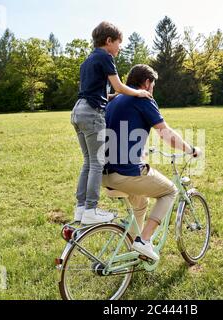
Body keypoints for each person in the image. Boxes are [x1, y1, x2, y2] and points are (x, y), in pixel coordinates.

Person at [102, 64, 201, 261]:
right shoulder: (143, 98)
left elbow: (122, 129)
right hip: (126, 173)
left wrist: (139, 149)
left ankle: (132, 251)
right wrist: (191, 149)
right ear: (147, 83)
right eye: (153, 85)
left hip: (104, 174)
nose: (152, 89)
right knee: (170, 191)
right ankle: (144, 241)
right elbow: (166, 134)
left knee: (141, 204)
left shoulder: (114, 100)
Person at [71, 22, 153, 225]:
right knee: (97, 162)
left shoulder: (87, 60)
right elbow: (118, 84)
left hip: (78, 111)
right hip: (92, 114)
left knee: (88, 162)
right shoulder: (105, 57)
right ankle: (91, 209)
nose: (119, 47)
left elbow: (95, 92)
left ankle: (80, 208)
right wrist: (138, 92)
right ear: (108, 41)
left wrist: (114, 95)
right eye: (118, 43)